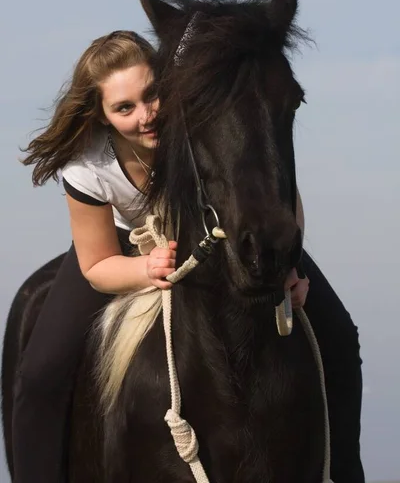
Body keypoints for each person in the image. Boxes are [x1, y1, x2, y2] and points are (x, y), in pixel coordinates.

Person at [13, 30, 364, 483]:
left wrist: (289, 267)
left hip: (212, 234)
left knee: (340, 337)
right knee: (40, 375)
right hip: (122, 250)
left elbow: (273, 190)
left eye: (152, 95)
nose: (146, 115)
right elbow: (96, 265)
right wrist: (143, 269)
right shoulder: (88, 165)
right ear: (101, 116)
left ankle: (346, 471)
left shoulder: (203, 118)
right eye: (124, 108)